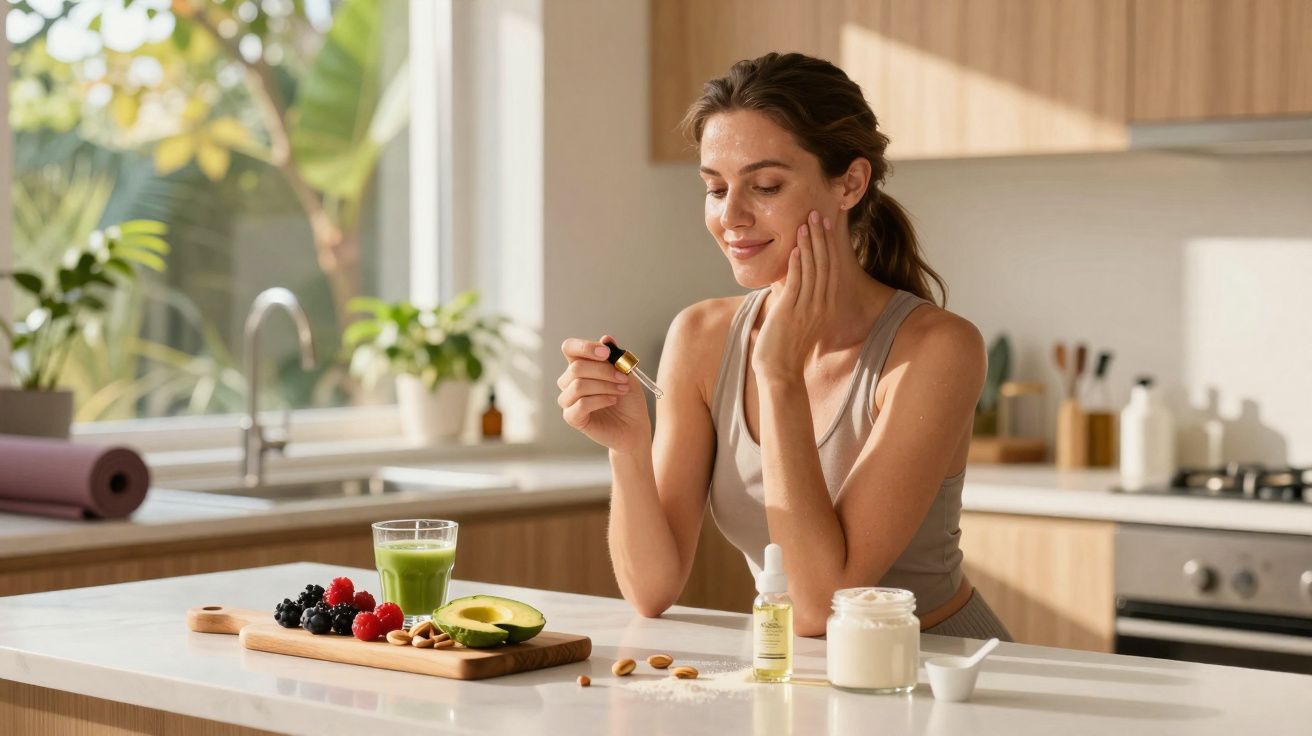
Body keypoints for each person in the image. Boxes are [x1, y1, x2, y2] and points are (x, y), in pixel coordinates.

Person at [557, 52, 1012, 640]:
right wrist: (627, 445)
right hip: (799, 674)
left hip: (941, 668)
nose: (731, 217)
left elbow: (823, 606)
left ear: (850, 182)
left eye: (766, 185)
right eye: (715, 188)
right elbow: (652, 588)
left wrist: (777, 372)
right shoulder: (700, 337)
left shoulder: (935, 349)